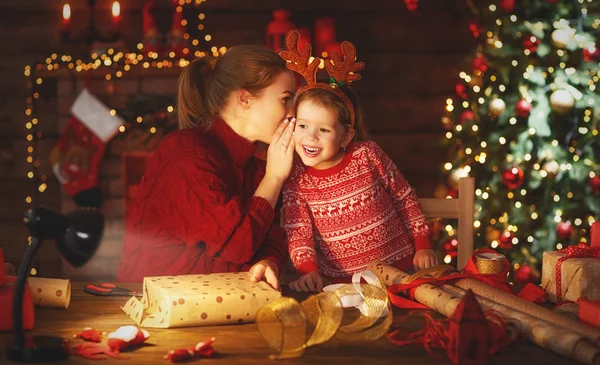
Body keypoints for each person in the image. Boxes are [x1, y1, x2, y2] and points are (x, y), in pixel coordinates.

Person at [116, 44, 297, 289]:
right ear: (244, 99)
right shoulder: (186, 152)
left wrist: (268, 261)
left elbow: (271, 233)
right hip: (150, 307)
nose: (293, 112)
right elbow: (238, 244)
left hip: (216, 306)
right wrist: (273, 179)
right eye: (286, 99)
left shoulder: (257, 165)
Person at [280, 31, 438, 293]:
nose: (311, 136)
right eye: (303, 125)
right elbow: (299, 233)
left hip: (401, 273)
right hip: (343, 286)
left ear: (346, 136)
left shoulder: (367, 155)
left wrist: (423, 245)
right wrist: (308, 272)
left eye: (324, 130)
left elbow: (404, 197)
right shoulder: (297, 179)